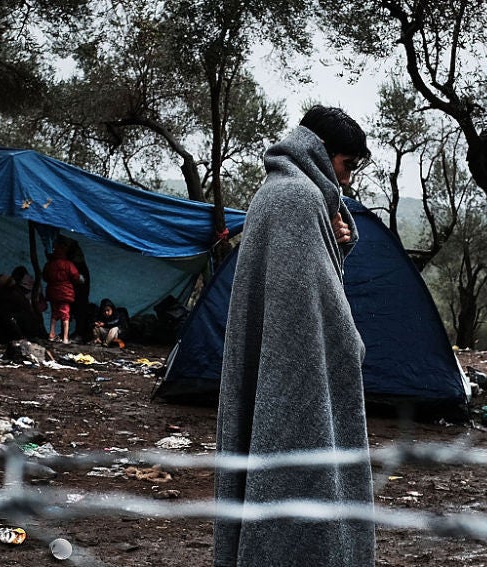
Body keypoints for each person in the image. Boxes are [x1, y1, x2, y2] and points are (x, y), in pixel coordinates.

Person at [214, 105, 375, 566]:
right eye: (346, 166)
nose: (346, 180)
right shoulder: (298, 198)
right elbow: (316, 308)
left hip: (279, 365)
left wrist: (338, 243)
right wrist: (350, 345)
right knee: (299, 476)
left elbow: (308, 281)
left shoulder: (277, 189)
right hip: (293, 370)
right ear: (323, 154)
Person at [43, 241, 83, 343]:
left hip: (52, 292)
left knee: (54, 313)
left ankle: (51, 334)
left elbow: (45, 276)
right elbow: (75, 276)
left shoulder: (49, 264)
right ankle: (65, 338)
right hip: (65, 292)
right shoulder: (68, 264)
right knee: (65, 315)